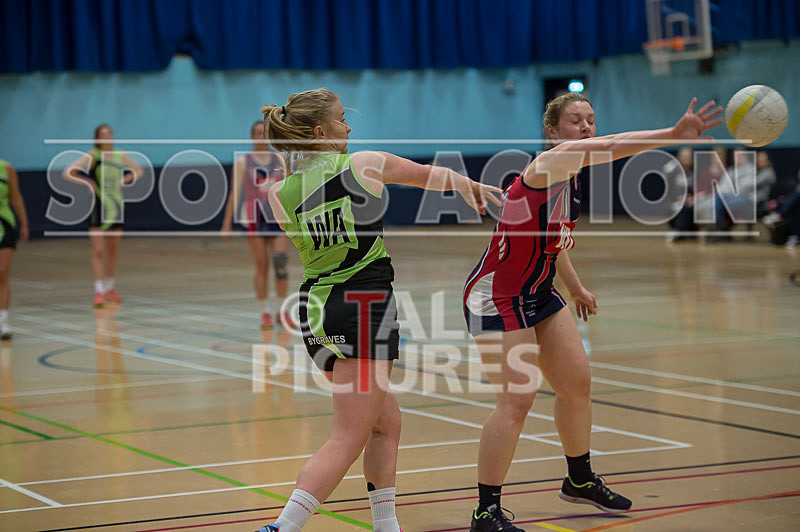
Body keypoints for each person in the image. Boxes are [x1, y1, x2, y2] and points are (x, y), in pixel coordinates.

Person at [462, 93, 722, 531]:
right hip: (497, 297)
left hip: (539, 291)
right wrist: (672, 135)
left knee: (576, 384)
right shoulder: (547, 166)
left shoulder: (571, 179)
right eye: (574, 121)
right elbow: (611, 146)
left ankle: (578, 479)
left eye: (590, 120)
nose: (585, 127)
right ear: (552, 132)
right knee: (516, 401)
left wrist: (575, 285)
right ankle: (485, 513)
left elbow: (552, 238)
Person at [253, 88, 501, 532]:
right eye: (342, 119)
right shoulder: (363, 163)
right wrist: (470, 186)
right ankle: (280, 528)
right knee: (347, 435)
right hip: (364, 305)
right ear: (320, 131)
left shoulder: (278, 193)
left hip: (316, 310)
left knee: (385, 423)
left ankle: (387, 526)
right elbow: (430, 176)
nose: (349, 127)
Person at [222, 121, 295, 329]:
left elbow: (289, 190)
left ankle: (282, 309)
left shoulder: (280, 159)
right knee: (262, 265)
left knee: (281, 263)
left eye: (264, 133)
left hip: (277, 218)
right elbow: (234, 193)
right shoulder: (244, 162)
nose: (261, 136)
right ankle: (264, 311)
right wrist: (227, 223)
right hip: (254, 220)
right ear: (252, 137)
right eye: (257, 133)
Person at [62, 124, 142, 308]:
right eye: (103, 135)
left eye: (110, 134)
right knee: (98, 251)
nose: (107, 137)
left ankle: (109, 289)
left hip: (116, 205)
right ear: (98, 138)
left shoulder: (119, 155)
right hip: (98, 205)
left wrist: (124, 180)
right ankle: (98, 291)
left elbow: (138, 171)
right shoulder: (93, 156)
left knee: (112, 251)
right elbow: (68, 172)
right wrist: (88, 181)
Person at [0, 160, 29, 339]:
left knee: (2, 272)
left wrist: (24, 223)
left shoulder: (7, 168)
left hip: (4, 224)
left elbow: (16, 197)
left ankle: (3, 320)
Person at [713, 150, 775, 234]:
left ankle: (720, 229)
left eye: (764, 160)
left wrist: (735, 187)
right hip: (741, 197)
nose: (762, 162)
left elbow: (748, 185)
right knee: (719, 200)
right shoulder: (735, 170)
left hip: (753, 201)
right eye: (760, 160)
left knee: (720, 201)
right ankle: (721, 228)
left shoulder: (765, 172)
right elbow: (726, 186)